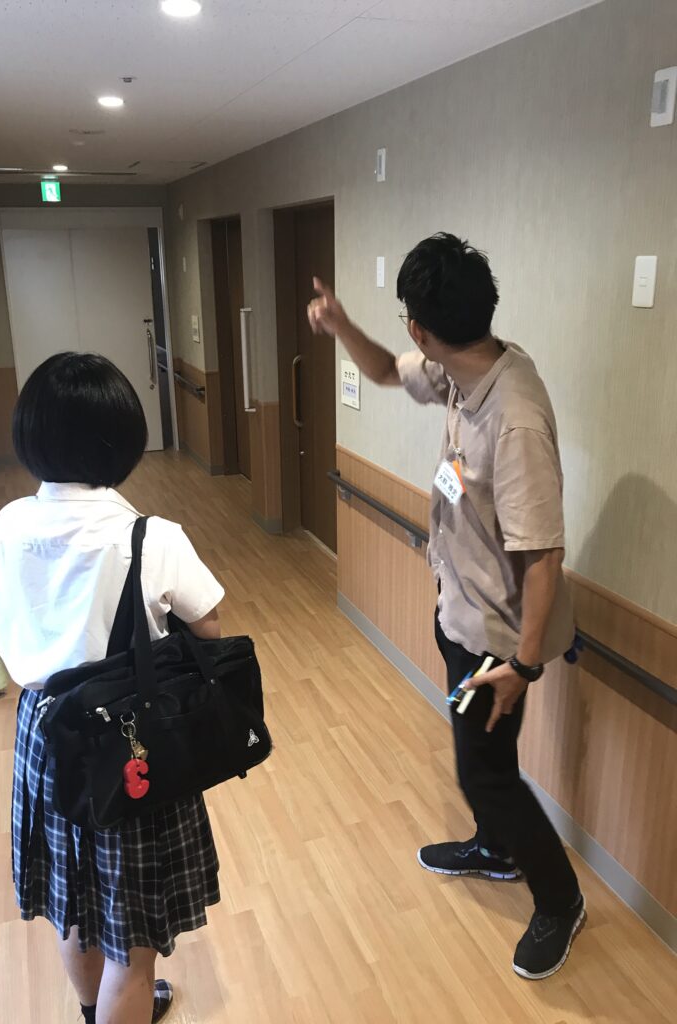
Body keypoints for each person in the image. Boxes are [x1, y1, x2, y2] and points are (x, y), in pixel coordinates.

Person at [307, 233, 585, 980]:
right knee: (487, 762)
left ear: (420, 326)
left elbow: (544, 558)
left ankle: (561, 900)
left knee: (484, 773)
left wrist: (524, 666)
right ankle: (496, 847)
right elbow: (382, 370)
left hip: (499, 640)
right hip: (462, 608)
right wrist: (341, 324)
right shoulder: (462, 368)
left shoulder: (514, 418)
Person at [0, 353, 225, 1023]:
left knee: (76, 903)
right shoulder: (151, 537)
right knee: (133, 939)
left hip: (45, 731)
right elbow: (209, 627)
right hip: (128, 738)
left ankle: (93, 1012)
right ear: (122, 442)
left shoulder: (9, 524)